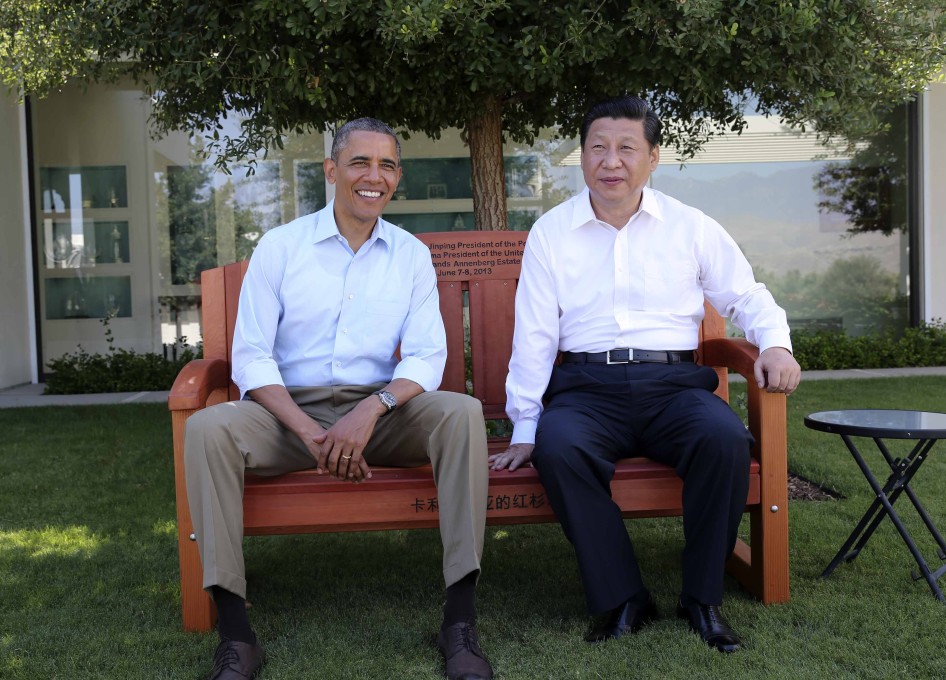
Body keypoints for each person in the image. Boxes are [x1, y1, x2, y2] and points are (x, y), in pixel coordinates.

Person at [489, 96, 801, 653]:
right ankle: (624, 596)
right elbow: (534, 335)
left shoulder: (690, 226)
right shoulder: (552, 232)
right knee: (558, 451)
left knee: (724, 438)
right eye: (598, 148)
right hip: (587, 391)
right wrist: (525, 426)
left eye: (627, 148)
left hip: (674, 389)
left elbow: (747, 295)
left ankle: (701, 598)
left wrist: (775, 344)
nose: (612, 161)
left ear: (653, 157)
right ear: (582, 157)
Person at [184, 118, 493, 680]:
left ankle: (459, 619)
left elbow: (426, 358)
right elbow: (253, 358)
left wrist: (371, 410)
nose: (374, 176)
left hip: (378, 415)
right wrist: (307, 429)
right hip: (284, 414)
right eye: (360, 163)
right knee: (207, 428)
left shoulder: (410, 255)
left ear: (397, 177)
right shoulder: (281, 248)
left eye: (387, 165)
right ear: (332, 171)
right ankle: (236, 633)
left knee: (462, 413)